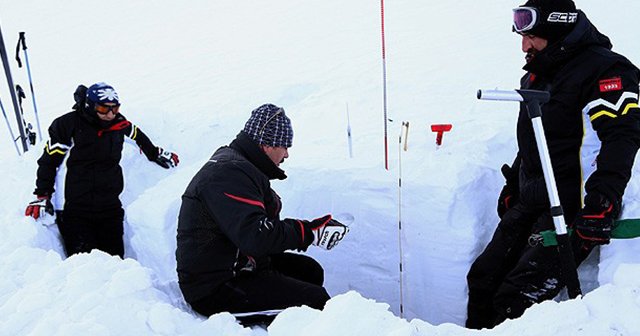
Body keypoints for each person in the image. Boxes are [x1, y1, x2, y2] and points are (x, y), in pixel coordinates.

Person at [466, 0, 640, 329]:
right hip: (533, 200)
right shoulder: (538, 74)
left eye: (531, 37)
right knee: (483, 278)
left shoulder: (606, 70)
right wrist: (514, 185)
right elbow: (537, 137)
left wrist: (603, 202)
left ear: (556, 30)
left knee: (516, 298)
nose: (523, 46)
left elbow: (621, 138)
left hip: (573, 208)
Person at [176, 103, 349, 317]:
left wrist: (304, 231)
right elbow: (256, 236)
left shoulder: (242, 167)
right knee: (316, 301)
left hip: (240, 263)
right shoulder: (228, 173)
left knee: (309, 271)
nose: (286, 154)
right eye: (284, 146)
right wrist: (308, 233)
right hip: (214, 286)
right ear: (266, 144)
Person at [25, 82, 179, 259]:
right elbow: (48, 162)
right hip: (74, 208)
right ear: (90, 105)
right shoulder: (68, 125)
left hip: (109, 206)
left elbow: (137, 136)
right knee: (84, 266)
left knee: (116, 263)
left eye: (115, 108)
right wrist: (42, 196)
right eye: (103, 109)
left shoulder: (118, 124)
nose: (110, 114)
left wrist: (155, 153)